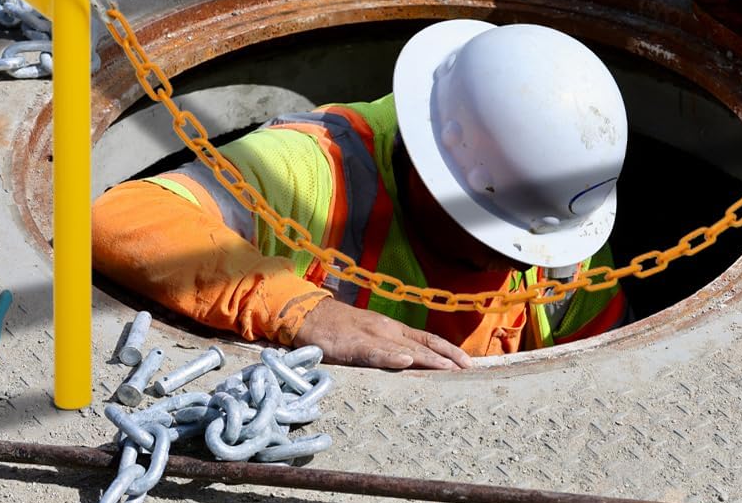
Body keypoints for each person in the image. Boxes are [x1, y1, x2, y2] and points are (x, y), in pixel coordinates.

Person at [93, 19, 629, 370]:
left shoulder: (558, 228)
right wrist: (304, 313)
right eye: (493, 234)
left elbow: (605, 373)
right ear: (428, 163)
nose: (513, 259)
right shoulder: (306, 171)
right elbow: (118, 217)